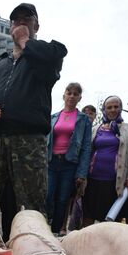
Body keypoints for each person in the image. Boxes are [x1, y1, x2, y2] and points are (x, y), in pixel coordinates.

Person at [0, 3, 67, 236]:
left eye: (27, 19)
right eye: (16, 20)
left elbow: (53, 58)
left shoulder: (48, 54)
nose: (20, 23)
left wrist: (26, 42)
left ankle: (33, 253)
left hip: (29, 142)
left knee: (31, 204)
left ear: (37, 25)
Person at [82, 95, 128, 226]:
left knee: (111, 218)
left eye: (116, 106)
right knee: (88, 215)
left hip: (114, 182)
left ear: (120, 108)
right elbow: (88, 152)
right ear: (104, 110)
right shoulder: (96, 129)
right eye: (109, 107)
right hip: (92, 179)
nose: (113, 110)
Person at [45, 82, 92, 235]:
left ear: (80, 98)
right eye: (69, 92)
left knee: (62, 199)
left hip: (69, 164)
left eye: (75, 94)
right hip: (51, 161)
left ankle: (56, 232)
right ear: (64, 95)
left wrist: (82, 173)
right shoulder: (53, 117)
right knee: (47, 196)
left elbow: (86, 147)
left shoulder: (84, 120)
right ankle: (44, 227)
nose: (72, 96)